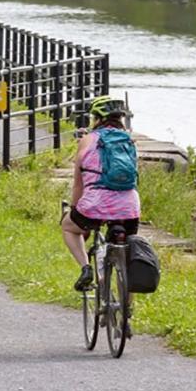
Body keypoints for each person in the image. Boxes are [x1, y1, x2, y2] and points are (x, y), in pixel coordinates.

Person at [61, 95, 140, 293]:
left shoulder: (87, 140)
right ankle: (126, 309)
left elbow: (79, 185)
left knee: (68, 227)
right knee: (127, 257)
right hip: (129, 206)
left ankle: (86, 267)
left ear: (96, 118)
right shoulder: (129, 141)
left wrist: (74, 208)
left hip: (94, 204)